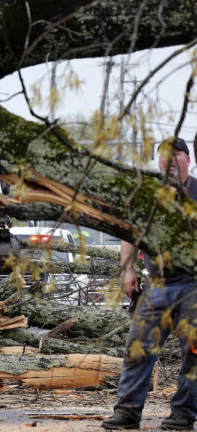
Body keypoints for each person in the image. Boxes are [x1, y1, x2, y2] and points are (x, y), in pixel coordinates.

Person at [102, 136, 197, 430]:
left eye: (175, 156)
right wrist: (127, 271)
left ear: (187, 160)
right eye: (163, 157)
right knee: (138, 350)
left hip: (193, 285)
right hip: (156, 284)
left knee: (193, 353)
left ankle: (182, 416)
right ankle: (127, 414)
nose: (168, 162)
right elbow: (129, 233)